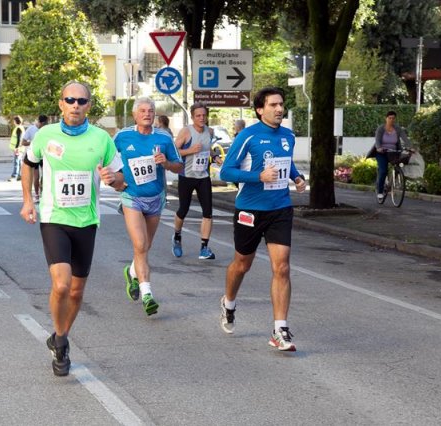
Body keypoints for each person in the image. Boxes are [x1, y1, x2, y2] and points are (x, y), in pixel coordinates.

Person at [20, 81, 124, 376]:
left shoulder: (101, 138)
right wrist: (28, 201)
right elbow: (29, 164)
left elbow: (121, 180)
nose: (76, 105)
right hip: (54, 218)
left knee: (77, 291)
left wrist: (112, 179)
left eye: (81, 100)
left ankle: (60, 336)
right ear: (61, 103)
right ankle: (61, 338)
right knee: (62, 284)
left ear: (89, 105)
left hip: (86, 221)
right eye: (70, 99)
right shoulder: (45, 135)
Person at [218, 87, 306, 351]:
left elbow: (286, 162)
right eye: (273, 105)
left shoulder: (288, 136)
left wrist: (296, 176)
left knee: (282, 267)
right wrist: (258, 177)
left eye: (281, 105)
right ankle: (229, 302)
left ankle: (280, 329)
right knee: (242, 264)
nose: (279, 109)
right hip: (250, 210)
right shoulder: (248, 136)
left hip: (280, 208)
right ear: (260, 109)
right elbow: (226, 171)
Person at [115, 97, 183, 316]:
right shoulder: (123, 136)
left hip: (155, 197)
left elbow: (179, 166)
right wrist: (116, 180)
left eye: (151, 110)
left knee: (145, 247)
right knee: (141, 244)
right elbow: (106, 158)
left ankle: (132, 272)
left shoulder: (163, 137)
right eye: (143, 110)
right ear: (135, 115)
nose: (147, 114)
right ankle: (147, 294)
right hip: (131, 197)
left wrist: (166, 163)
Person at [171, 102, 222, 260]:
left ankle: (204, 248)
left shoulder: (210, 131)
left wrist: (215, 157)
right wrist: (189, 150)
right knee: (183, 210)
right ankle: (177, 237)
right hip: (186, 176)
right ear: (193, 117)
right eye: (198, 115)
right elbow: (174, 151)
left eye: (204, 115)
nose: (201, 118)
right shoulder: (186, 132)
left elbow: (208, 148)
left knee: (208, 212)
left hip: (203, 177)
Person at [373, 111, 412, 201]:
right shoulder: (380, 129)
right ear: (386, 118)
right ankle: (380, 191)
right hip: (382, 153)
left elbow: (405, 139)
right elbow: (377, 140)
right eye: (389, 118)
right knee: (383, 171)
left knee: (399, 165)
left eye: (393, 118)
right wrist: (379, 148)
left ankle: (393, 181)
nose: (391, 120)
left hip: (394, 152)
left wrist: (411, 147)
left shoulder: (397, 129)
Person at [21, 114, 49, 202]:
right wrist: (33, 143)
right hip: (35, 154)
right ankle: (37, 195)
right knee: (36, 177)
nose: (47, 125)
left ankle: (43, 194)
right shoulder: (31, 129)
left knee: (46, 177)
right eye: (46, 123)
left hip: (45, 155)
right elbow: (23, 142)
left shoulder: (46, 130)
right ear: (42, 123)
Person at [8, 115, 24, 181]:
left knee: (16, 162)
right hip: (20, 148)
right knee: (19, 162)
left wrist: (16, 148)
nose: (13, 122)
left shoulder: (18, 128)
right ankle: (19, 176)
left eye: (14, 121)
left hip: (18, 149)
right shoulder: (20, 127)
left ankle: (14, 176)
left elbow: (19, 139)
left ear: (15, 121)